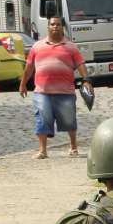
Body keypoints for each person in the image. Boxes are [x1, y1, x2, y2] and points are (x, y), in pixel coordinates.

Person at [19, 16, 89, 159]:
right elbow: (29, 67)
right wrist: (23, 83)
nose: (55, 27)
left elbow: (80, 64)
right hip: (42, 91)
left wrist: (86, 80)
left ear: (62, 27)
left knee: (69, 120)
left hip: (65, 92)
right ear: (48, 27)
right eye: (52, 24)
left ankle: (74, 147)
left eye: (58, 24)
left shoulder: (71, 47)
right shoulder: (37, 46)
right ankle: (43, 150)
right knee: (42, 119)